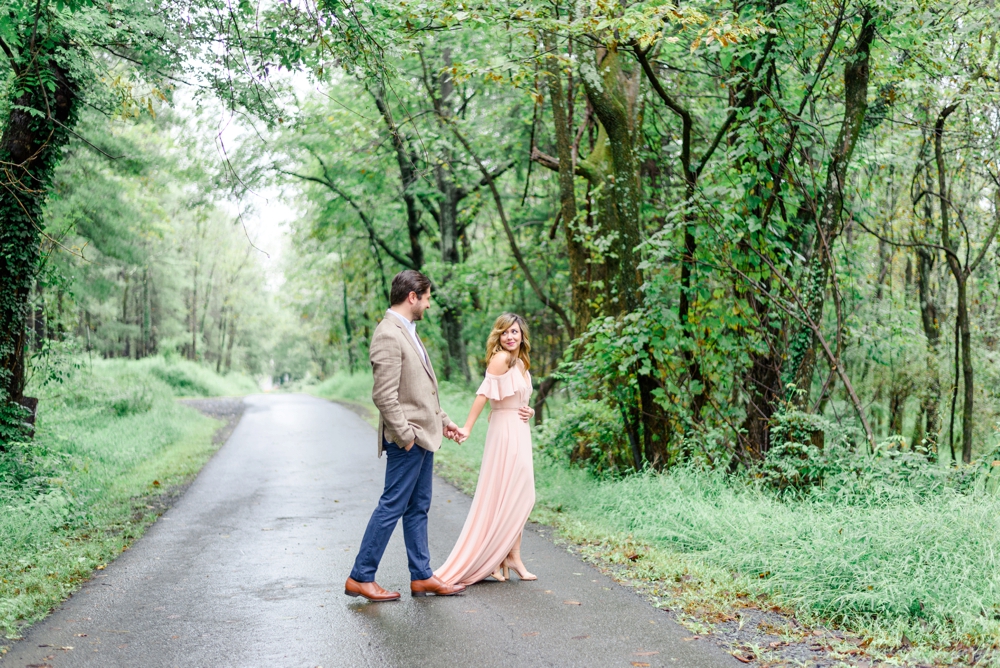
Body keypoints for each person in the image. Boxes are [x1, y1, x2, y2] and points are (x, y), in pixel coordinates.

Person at [345, 270, 467, 601]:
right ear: (412, 296)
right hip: (408, 440)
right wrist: (406, 435)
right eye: (426, 298)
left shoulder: (408, 331)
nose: (428, 304)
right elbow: (384, 395)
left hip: (423, 435)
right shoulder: (388, 334)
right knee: (392, 506)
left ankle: (422, 576)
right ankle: (361, 576)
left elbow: (419, 390)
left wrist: (444, 421)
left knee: (418, 507)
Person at [434, 313, 537, 586]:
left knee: (521, 494)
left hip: (520, 429)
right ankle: (501, 557)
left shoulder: (523, 362)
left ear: (522, 335)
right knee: (511, 492)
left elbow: (519, 397)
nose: (510, 337)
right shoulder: (500, 358)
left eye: (515, 332)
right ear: (498, 336)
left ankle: (509, 556)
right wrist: (467, 427)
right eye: (505, 332)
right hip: (504, 431)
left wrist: (531, 409)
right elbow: (484, 394)